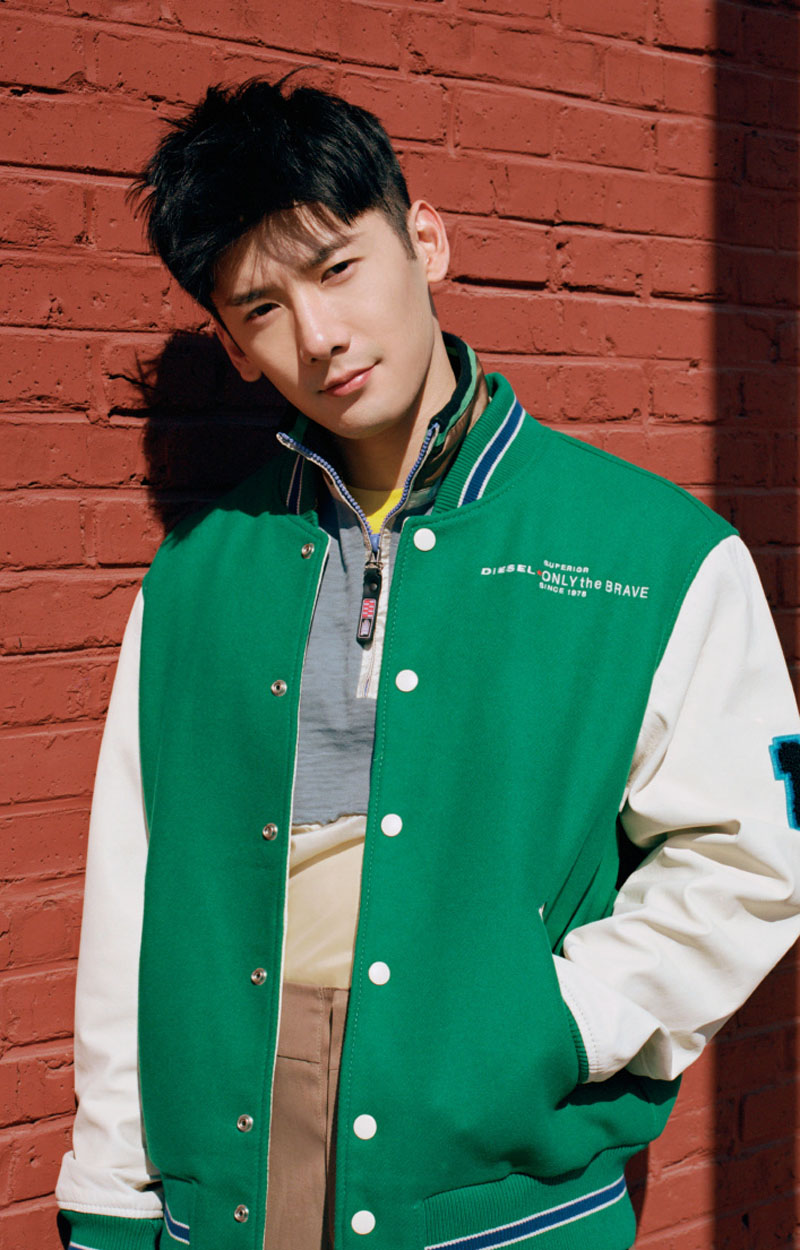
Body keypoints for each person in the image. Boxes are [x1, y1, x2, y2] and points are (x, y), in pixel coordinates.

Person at [56, 76, 800, 1250]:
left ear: (426, 240)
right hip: (237, 1147)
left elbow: (753, 854)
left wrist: (561, 1019)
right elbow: (132, 893)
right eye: (262, 307)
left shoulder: (653, 553)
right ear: (234, 347)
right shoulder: (196, 578)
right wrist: (108, 1183)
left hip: (499, 1183)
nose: (319, 335)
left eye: (337, 267)